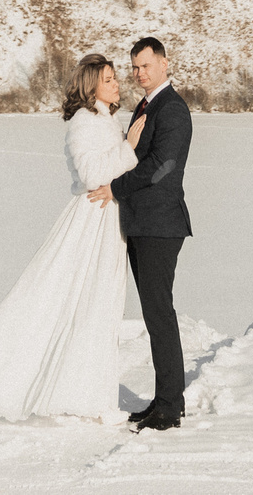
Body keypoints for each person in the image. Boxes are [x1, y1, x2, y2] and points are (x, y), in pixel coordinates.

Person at [0, 53, 137, 422]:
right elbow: (91, 175)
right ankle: (34, 384)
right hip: (92, 219)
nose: (117, 83)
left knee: (100, 306)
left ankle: (87, 395)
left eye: (114, 77)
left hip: (108, 219)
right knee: (73, 300)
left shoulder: (106, 118)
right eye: (108, 79)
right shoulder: (84, 121)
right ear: (91, 87)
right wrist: (129, 147)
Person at [89, 35, 191, 430]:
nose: (139, 73)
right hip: (142, 223)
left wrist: (115, 188)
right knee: (154, 313)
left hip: (160, 225)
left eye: (146, 65)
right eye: (134, 67)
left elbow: (162, 166)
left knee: (159, 313)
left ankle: (170, 406)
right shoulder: (146, 107)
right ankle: (165, 399)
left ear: (164, 63)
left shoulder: (173, 109)